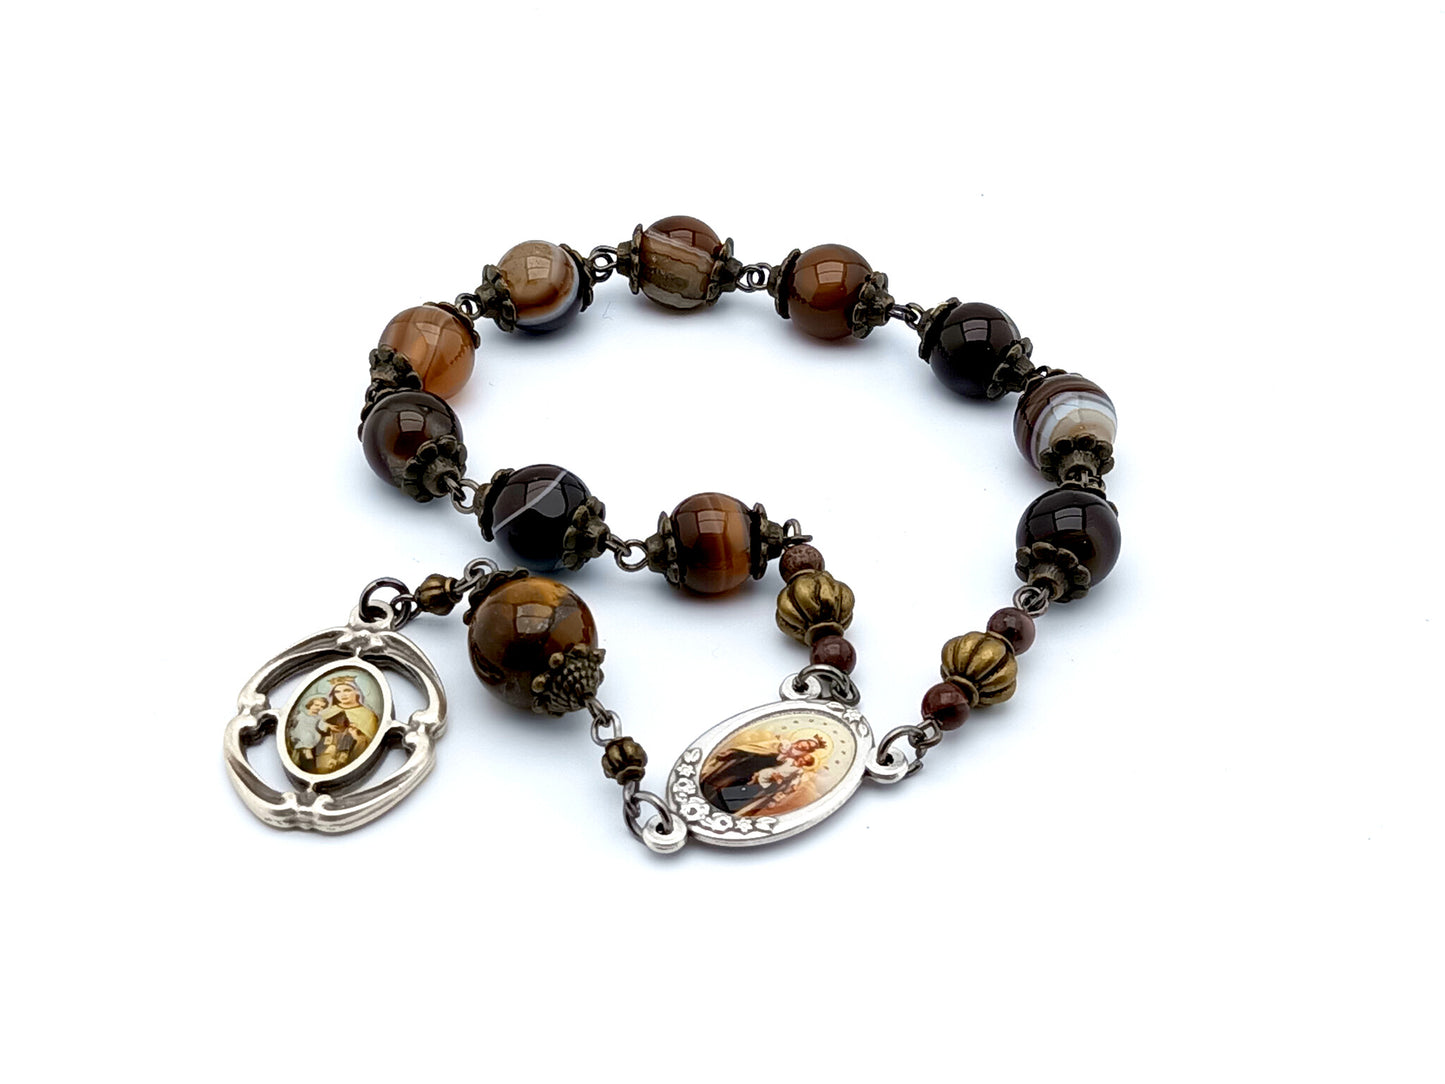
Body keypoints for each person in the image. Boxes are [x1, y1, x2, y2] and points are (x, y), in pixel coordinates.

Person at [699, 730, 830, 817]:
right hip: (745, 768)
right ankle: (706, 797)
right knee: (722, 782)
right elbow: (755, 749)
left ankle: (720, 810)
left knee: (735, 797)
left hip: (758, 784)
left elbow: (788, 781)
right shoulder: (779, 744)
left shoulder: (795, 765)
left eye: (808, 748)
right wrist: (734, 752)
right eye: (805, 743)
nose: (804, 746)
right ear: (801, 740)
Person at [313, 676, 380, 773]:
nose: (342, 695)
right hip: (324, 751)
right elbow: (312, 729)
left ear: (357, 692)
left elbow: (371, 741)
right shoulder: (328, 711)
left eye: (347, 690)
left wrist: (358, 737)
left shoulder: (367, 715)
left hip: (349, 753)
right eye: (337, 692)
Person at [287, 695, 328, 769]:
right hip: (299, 737)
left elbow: (323, 728)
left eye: (322, 707)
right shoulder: (301, 715)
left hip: (313, 740)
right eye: (316, 705)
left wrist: (326, 727)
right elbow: (293, 725)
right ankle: (306, 750)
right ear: (310, 704)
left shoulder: (319, 718)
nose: (318, 708)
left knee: (309, 735)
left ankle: (307, 750)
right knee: (307, 735)